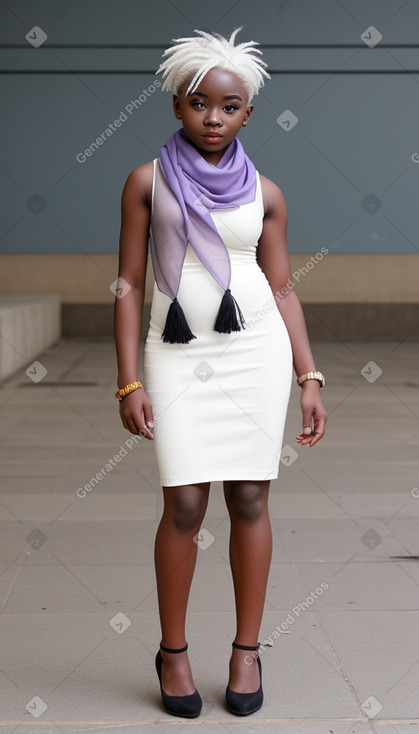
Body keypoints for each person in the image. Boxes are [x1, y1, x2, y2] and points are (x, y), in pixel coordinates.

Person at [113, 27, 327, 719]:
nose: (213, 118)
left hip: (254, 353)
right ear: (176, 105)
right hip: (173, 354)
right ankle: (172, 653)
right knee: (183, 504)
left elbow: (283, 287)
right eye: (198, 103)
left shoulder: (265, 192)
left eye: (228, 106)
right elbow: (126, 284)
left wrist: (308, 376)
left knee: (250, 501)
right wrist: (128, 380)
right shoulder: (146, 181)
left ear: (247, 114)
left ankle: (245, 649)